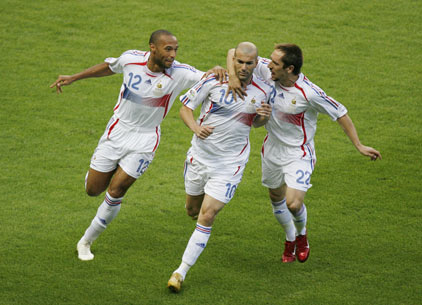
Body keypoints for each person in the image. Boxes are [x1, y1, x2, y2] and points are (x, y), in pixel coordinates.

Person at [50, 29, 225, 261]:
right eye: (168, 49)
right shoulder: (131, 59)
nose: (173, 54)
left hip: (145, 139)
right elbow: (110, 66)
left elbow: (208, 79)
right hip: (117, 132)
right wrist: (74, 77)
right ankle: (99, 173)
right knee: (93, 190)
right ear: (153, 48)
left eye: (175, 49)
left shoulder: (180, 73)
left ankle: (86, 240)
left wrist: (217, 71)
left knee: (117, 190)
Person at [227, 43, 382, 263]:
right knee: (275, 197)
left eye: (275, 63)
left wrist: (359, 145)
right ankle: (289, 238)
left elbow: (340, 113)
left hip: (298, 154)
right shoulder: (267, 71)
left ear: (289, 69)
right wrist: (233, 77)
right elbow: (233, 52)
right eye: (270, 60)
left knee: (293, 203)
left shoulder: (309, 93)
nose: (268, 65)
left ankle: (301, 235)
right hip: (271, 148)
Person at [167, 42, 273, 292]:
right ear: (233, 60)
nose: (244, 67)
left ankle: (179, 272)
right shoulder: (214, 80)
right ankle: (199, 210)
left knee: (207, 215)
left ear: (256, 64)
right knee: (192, 210)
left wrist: (263, 117)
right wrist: (196, 128)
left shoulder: (264, 89)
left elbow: (255, 123)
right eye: (240, 62)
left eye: (249, 63)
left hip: (230, 164)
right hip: (200, 157)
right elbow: (185, 109)